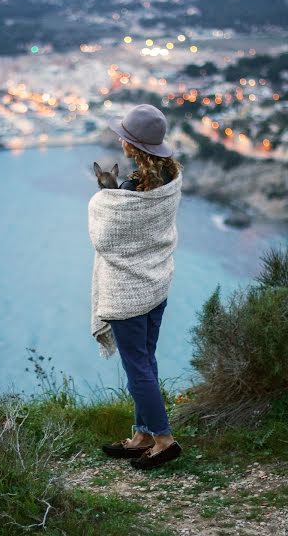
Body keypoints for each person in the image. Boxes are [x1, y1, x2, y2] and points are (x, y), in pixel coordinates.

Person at [100, 104, 184, 470]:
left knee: (137, 365)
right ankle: (142, 435)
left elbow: (107, 237)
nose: (120, 139)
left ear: (132, 147)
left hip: (130, 290)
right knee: (144, 360)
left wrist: (105, 197)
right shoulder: (170, 174)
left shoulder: (133, 187)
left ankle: (163, 438)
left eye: (124, 136)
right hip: (157, 282)